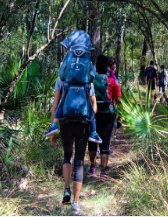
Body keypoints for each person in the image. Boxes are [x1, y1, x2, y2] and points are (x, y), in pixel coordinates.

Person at [49, 78, 97, 214]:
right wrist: (89, 121)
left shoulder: (61, 80)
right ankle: (75, 203)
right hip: (83, 123)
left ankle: (67, 189)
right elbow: (94, 105)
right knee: (79, 161)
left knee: (67, 155)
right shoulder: (88, 80)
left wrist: (53, 129)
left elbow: (55, 105)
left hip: (65, 123)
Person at [88, 55, 122, 178]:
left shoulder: (91, 80)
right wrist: (122, 112)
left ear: (96, 67)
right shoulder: (112, 82)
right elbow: (117, 100)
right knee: (105, 142)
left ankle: (92, 167)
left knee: (92, 140)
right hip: (108, 114)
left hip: (93, 113)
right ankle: (103, 171)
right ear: (108, 68)